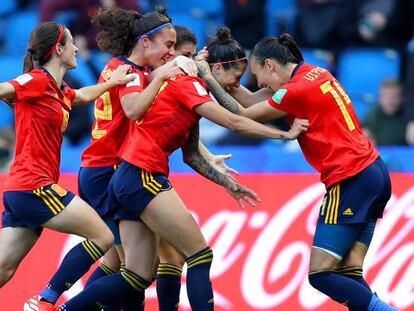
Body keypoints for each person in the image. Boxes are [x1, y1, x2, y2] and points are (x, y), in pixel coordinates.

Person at [57, 30, 309, 311]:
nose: (236, 86)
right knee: (199, 255)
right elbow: (234, 121)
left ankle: (68, 309)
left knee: (138, 273)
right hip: (142, 175)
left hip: (127, 176)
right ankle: (54, 295)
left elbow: (191, 155)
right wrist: (286, 136)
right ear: (214, 70)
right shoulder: (189, 85)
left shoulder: (187, 89)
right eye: (235, 79)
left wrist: (226, 182)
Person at [196, 33, 396, 310]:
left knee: (321, 274)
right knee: (347, 272)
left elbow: (243, 114)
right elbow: (253, 100)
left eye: (258, 76)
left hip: (350, 176)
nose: (259, 83)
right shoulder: (314, 74)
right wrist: (227, 83)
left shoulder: (295, 91)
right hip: (374, 173)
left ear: (271, 65)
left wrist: (207, 78)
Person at [76, 9, 215, 311]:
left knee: (141, 265)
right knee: (132, 268)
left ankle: (58, 302)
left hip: (115, 169)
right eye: (171, 48)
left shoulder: (138, 72)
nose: (173, 56)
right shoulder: (129, 73)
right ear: (146, 42)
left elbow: (169, 122)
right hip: (111, 170)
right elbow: (134, 110)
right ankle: (54, 301)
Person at [0, 21, 136, 311]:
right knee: (103, 236)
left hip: (20, 190)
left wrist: (113, 83)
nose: (76, 47)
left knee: (4, 271)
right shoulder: (36, 80)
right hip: (33, 186)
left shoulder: (58, 90)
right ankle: (46, 300)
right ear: (59, 49)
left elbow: (83, 95)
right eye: (71, 42)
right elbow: (5, 88)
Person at [363, 79, 407, 145]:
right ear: (379, 98)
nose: (390, 101)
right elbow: (364, 133)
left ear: (402, 98)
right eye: (386, 97)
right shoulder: (372, 115)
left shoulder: (408, 115)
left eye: (394, 97)